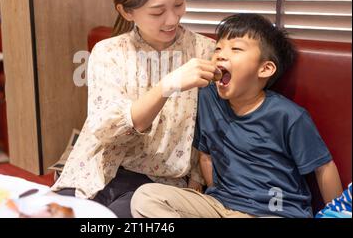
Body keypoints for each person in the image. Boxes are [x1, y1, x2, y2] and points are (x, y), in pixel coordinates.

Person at [51, 0, 219, 217]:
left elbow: (212, 131)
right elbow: (108, 128)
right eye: (157, 12)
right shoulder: (108, 52)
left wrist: (197, 183)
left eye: (179, 3)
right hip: (94, 172)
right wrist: (168, 85)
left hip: (154, 184)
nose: (172, 18)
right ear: (126, 11)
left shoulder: (205, 52)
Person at [131, 13, 344, 218]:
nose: (221, 54)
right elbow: (206, 155)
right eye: (218, 48)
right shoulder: (208, 97)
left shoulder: (288, 116)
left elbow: (324, 168)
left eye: (236, 49)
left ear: (265, 68)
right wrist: (212, 194)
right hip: (221, 206)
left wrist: (338, 214)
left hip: (276, 209)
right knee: (146, 197)